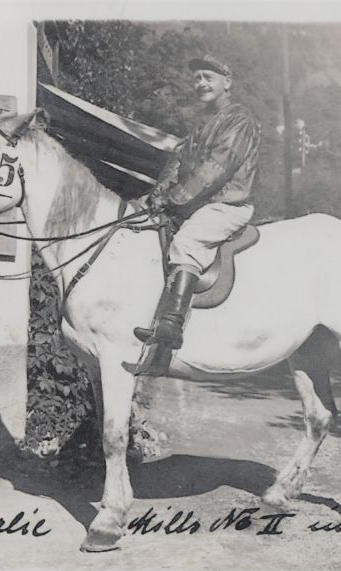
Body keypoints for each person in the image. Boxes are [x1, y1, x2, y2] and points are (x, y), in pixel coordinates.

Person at [133, 54, 261, 374]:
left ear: (227, 83)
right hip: (198, 202)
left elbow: (216, 168)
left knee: (187, 242)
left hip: (226, 205)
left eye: (208, 77)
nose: (200, 83)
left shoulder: (239, 119)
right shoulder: (201, 122)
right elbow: (178, 161)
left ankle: (171, 329)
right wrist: (157, 195)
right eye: (197, 78)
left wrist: (177, 198)